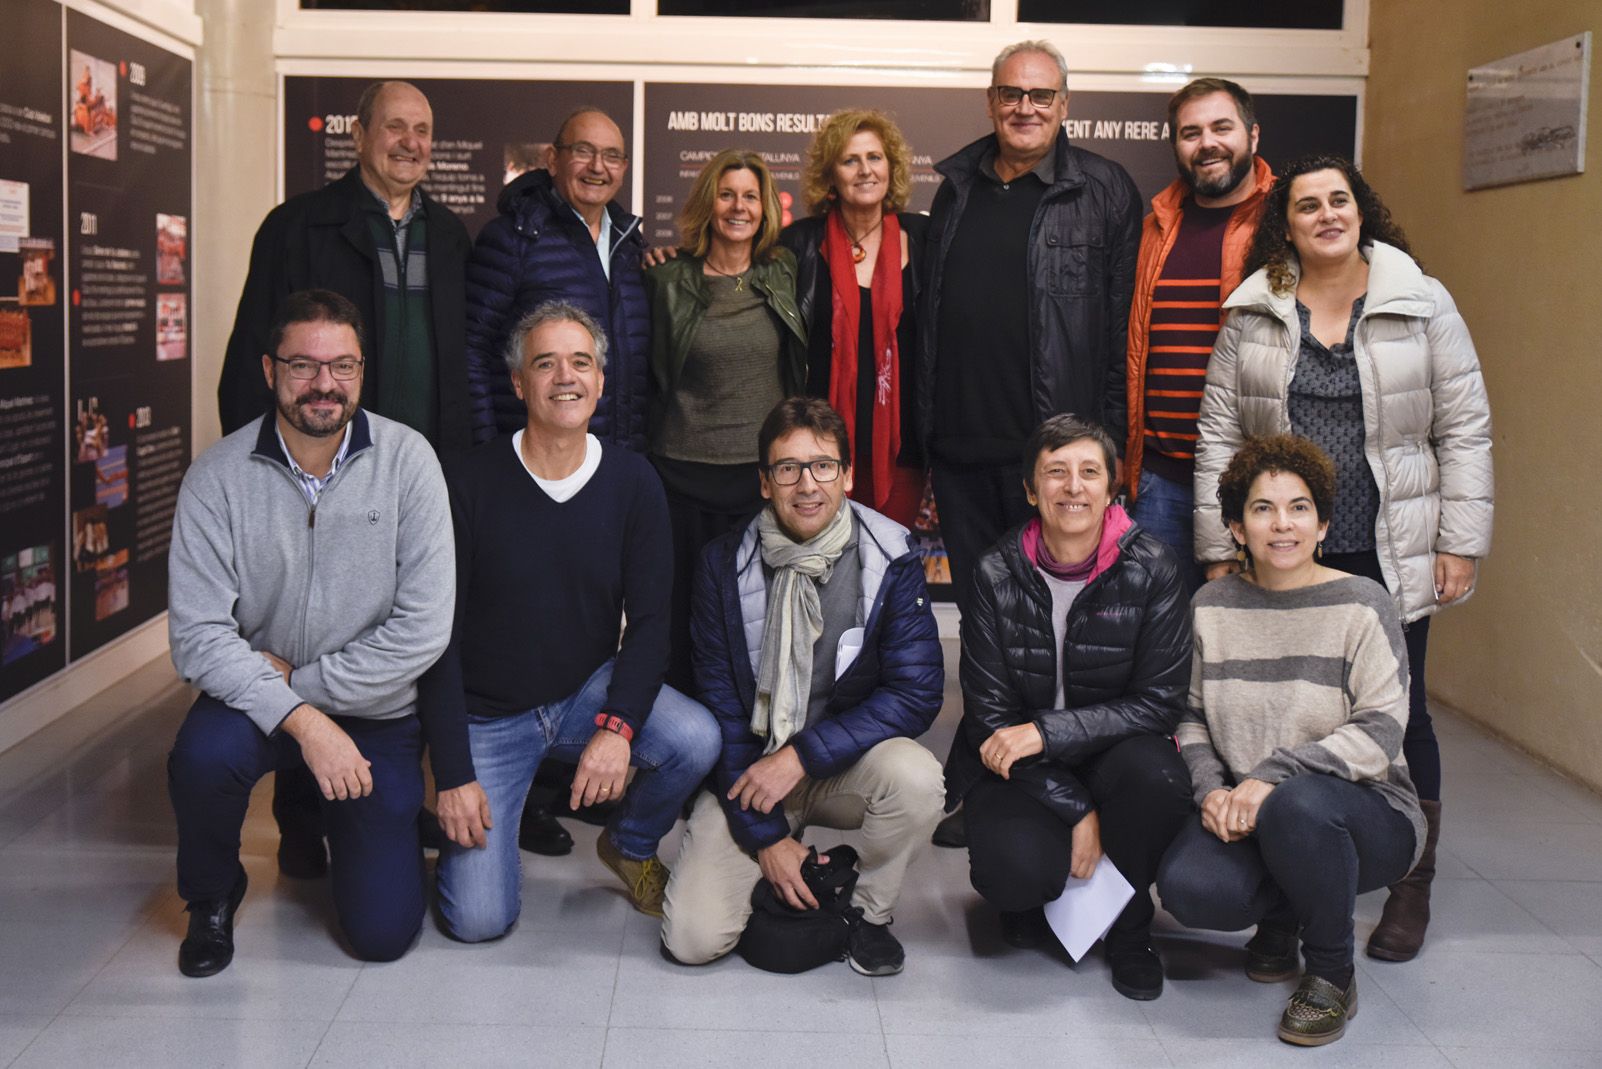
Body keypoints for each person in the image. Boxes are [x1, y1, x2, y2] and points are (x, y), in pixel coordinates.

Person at [1193, 155, 1493, 962]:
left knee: (1404, 715)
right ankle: (1290, 873)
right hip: (1282, 544)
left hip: (1389, 549)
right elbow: (1219, 433)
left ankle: (1410, 884)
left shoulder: (1422, 303)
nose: (1326, 214)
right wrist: (1223, 542)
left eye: (1340, 200)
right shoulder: (1254, 310)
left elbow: (1464, 427)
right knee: (1280, 704)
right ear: (1283, 224)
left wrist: (1459, 539)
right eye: (1307, 205)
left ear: (1361, 212)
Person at [165, 290, 454, 977]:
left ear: (362, 371)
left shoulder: (409, 462)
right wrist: (301, 716)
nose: (325, 383)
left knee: (382, 934)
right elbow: (198, 637)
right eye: (303, 365)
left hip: (372, 712)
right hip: (260, 704)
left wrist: (307, 686)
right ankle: (211, 892)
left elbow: (423, 629)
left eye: (343, 366)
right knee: (201, 758)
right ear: (269, 370)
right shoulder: (217, 477)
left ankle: (334, 815)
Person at [420, 301, 719, 939]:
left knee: (695, 738)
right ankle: (449, 848)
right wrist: (450, 773)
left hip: (585, 692)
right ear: (518, 383)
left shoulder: (633, 480)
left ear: (601, 381)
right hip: (488, 719)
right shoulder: (467, 482)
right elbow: (434, 641)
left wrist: (616, 729)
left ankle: (631, 843)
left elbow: (648, 624)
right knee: (478, 921)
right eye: (546, 363)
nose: (566, 377)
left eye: (581, 362)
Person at [661, 397, 944, 976]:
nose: (806, 484)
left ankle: (868, 914)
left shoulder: (889, 558)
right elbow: (722, 709)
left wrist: (802, 755)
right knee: (692, 940)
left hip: (841, 763)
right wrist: (767, 840)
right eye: (787, 468)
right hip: (751, 775)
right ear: (765, 483)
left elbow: (915, 693)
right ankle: (802, 869)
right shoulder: (723, 565)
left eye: (822, 466)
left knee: (917, 779)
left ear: (847, 476)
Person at [1159, 435, 1425, 1046]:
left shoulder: (1362, 604)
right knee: (1190, 888)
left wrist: (1269, 776)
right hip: (1252, 809)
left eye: (1299, 507)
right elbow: (1190, 715)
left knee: (1299, 804)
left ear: (1323, 522)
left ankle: (1332, 973)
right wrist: (1211, 791)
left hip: (1367, 814)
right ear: (1235, 526)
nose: (1283, 524)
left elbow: (1382, 730)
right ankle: (1281, 918)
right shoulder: (1210, 606)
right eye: (1262, 509)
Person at [944, 414, 1191, 1000]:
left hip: (1113, 757)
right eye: (1055, 473)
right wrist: (1079, 810)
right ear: (1031, 490)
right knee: (1013, 873)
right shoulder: (993, 572)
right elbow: (987, 714)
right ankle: (1040, 899)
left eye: (1088, 472)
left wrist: (1048, 733)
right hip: (1020, 766)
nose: (1073, 487)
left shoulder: (1153, 566)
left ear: (1112, 489)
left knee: (1157, 777)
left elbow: (1160, 703)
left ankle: (1132, 930)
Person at [918, 39, 1141, 614]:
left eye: (1041, 94)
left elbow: (1122, 336)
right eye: (1011, 93)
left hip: (1052, 454)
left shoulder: (1104, 189)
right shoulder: (956, 189)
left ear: (1064, 104)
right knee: (978, 610)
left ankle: (1045, 713)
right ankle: (986, 710)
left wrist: (1108, 451)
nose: (1026, 107)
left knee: (1053, 614)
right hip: (959, 448)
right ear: (991, 102)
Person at [218, 80, 472, 453]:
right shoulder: (295, 228)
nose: (410, 142)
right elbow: (249, 364)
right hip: (321, 464)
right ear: (358, 135)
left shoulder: (451, 237)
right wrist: (257, 464)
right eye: (395, 126)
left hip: (431, 466)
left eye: (422, 131)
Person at [645, 149, 808, 690]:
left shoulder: (783, 273)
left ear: (765, 209)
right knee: (679, 620)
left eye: (751, 196)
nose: (739, 207)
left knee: (752, 623)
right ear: (708, 202)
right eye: (727, 194)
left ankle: (745, 746)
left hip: (758, 480)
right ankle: (681, 748)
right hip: (679, 476)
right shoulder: (667, 278)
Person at [1120, 78, 1275, 594]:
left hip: (1254, 479)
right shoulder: (1154, 229)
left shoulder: (1286, 223)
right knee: (1159, 643)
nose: (1206, 142)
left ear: (1252, 136)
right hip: (1161, 479)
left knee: (1251, 643)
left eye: (1221, 127)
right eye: (1191, 132)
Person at [463, 107, 650, 450]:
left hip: (614, 462)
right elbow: (471, 352)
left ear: (623, 169)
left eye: (611, 156)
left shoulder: (631, 248)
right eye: (583, 151)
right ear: (552, 159)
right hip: (531, 460)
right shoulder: (514, 238)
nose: (597, 166)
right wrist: (488, 449)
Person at [779, 109, 928, 528]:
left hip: (902, 452)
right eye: (850, 160)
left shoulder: (923, 242)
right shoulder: (798, 245)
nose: (865, 170)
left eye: (875, 158)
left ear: (891, 167)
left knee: (885, 569)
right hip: (815, 451)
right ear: (831, 176)